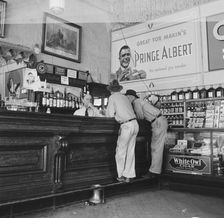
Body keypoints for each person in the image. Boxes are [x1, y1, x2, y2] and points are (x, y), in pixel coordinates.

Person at [125, 89, 168, 178]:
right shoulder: (140, 101)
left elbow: (140, 117)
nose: (126, 99)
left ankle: (154, 172)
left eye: (127, 97)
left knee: (156, 147)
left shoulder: (136, 102)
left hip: (157, 122)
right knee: (156, 147)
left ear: (131, 97)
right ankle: (155, 170)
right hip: (159, 121)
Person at [106, 80, 139, 183]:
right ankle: (129, 175)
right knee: (130, 151)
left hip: (126, 126)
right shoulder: (125, 97)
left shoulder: (112, 97)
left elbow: (109, 115)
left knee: (120, 152)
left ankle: (120, 175)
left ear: (111, 90)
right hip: (135, 124)